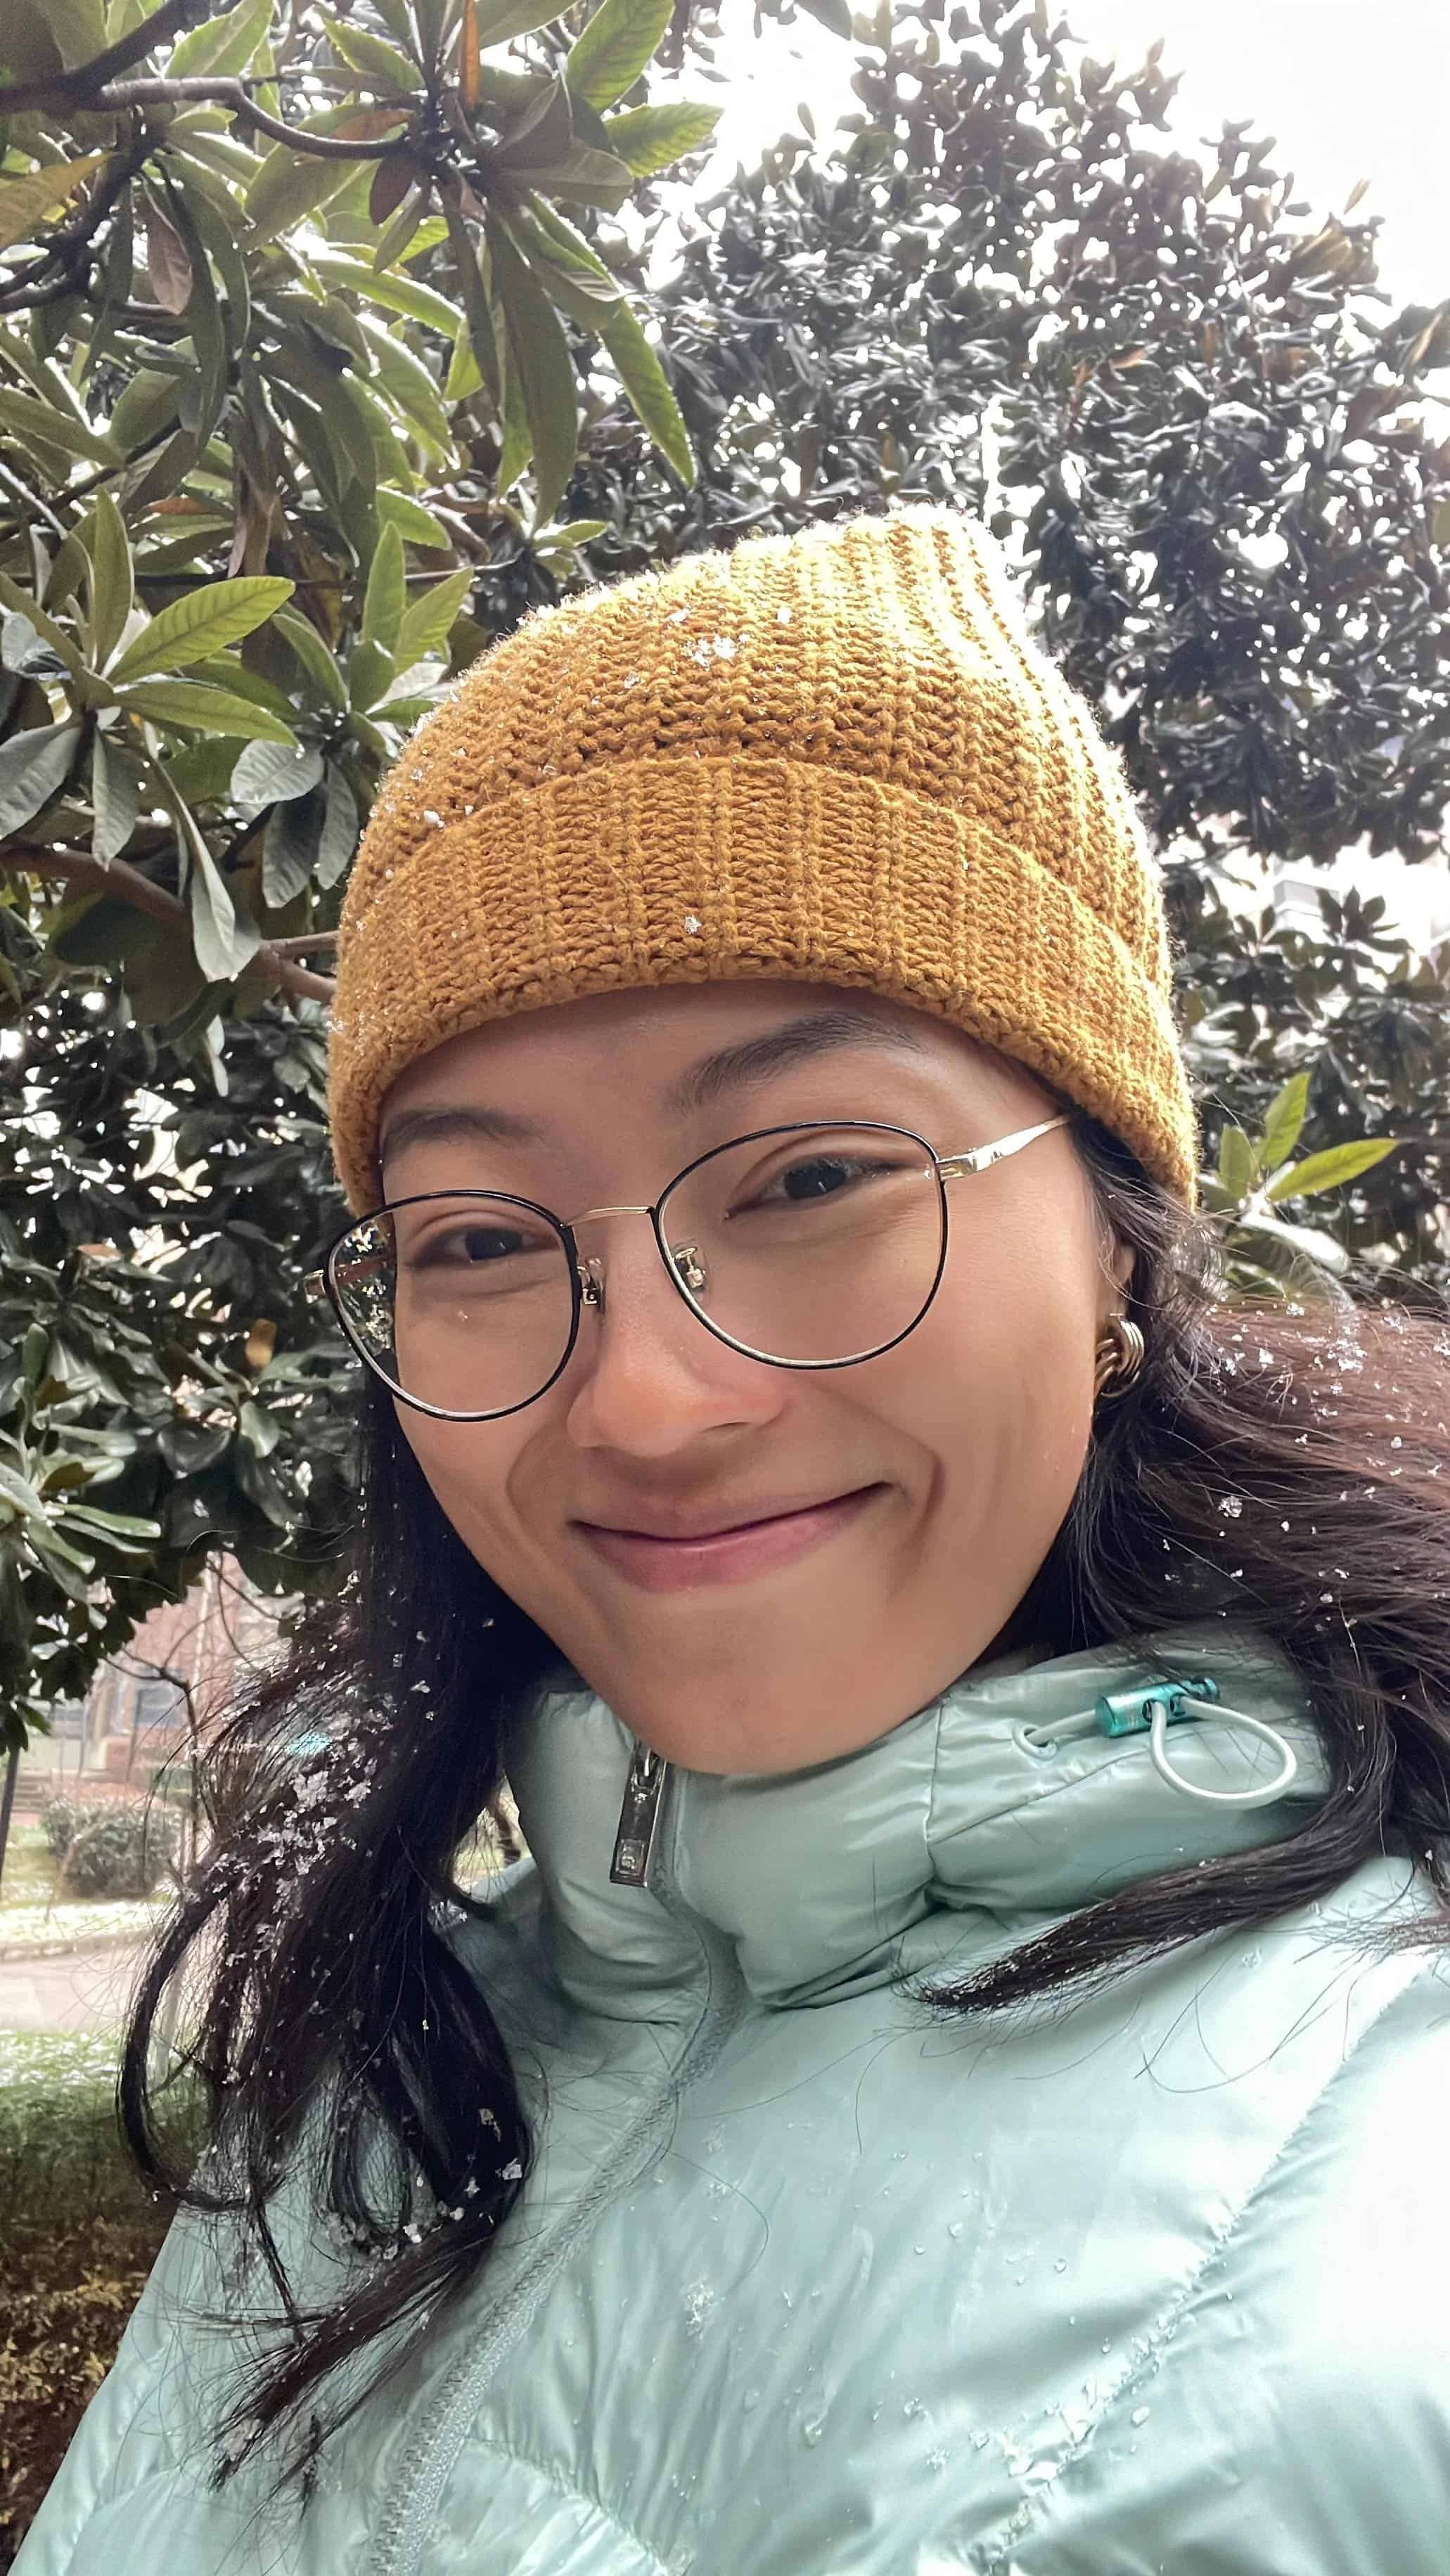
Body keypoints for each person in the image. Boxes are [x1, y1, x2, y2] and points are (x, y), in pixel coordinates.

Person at [18, 506, 1450, 2576]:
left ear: (1123, 1242)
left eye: (809, 1179)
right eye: (479, 1240)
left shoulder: (1382, 2236)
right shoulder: (387, 2059)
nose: (643, 1402)